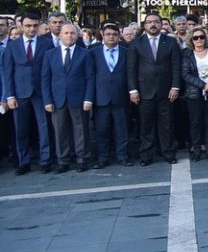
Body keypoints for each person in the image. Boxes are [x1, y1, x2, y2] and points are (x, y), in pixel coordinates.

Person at [2, 12, 55, 174]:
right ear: (21, 26)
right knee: (20, 128)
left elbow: (51, 70)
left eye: (34, 25)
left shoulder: (47, 44)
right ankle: (23, 161)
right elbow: (7, 73)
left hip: (41, 91)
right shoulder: (12, 46)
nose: (32, 29)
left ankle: (45, 160)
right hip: (19, 92)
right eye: (28, 26)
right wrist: (9, 95)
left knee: (44, 127)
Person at [127, 12, 181, 166]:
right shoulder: (136, 43)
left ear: (161, 24)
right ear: (144, 25)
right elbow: (131, 69)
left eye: (156, 22)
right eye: (149, 22)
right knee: (146, 124)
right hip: (144, 91)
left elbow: (176, 67)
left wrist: (175, 87)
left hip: (167, 90)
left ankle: (169, 152)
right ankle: (146, 155)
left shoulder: (170, 43)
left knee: (167, 124)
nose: (153, 25)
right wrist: (133, 90)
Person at [42, 23, 94, 172]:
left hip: (79, 98)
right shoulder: (50, 54)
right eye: (66, 33)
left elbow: (90, 78)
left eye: (72, 33)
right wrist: (47, 100)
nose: (69, 36)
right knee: (60, 130)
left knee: (81, 130)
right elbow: (45, 79)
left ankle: (82, 159)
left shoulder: (84, 53)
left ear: (77, 35)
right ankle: (63, 161)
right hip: (57, 99)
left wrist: (88, 98)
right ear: (60, 35)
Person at [90, 23, 132, 168]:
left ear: (119, 35)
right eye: (108, 34)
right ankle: (103, 158)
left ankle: (122, 156)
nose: (111, 37)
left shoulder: (126, 51)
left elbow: (130, 74)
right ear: (102, 34)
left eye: (114, 34)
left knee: (122, 129)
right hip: (101, 98)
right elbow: (90, 76)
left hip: (121, 97)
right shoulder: (93, 52)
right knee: (102, 130)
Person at [181, 26, 208, 161]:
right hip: (194, 94)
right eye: (196, 38)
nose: (199, 40)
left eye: (202, 37)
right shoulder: (186, 54)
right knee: (195, 123)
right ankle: (197, 150)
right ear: (191, 40)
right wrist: (203, 85)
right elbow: (186, 74)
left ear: (206, 38)